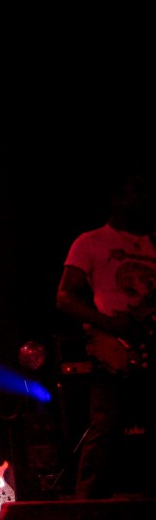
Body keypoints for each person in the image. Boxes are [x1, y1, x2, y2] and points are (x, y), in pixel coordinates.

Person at [55, 170, 155, 500]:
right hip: (114, 347)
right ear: (116, 198)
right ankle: (87, 508)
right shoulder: (91, 242)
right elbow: (64, 297)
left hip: (148, 340)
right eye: (135, 190)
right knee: (105, 428)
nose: (143, 197)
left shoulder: (152, 243)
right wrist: (109, 325)